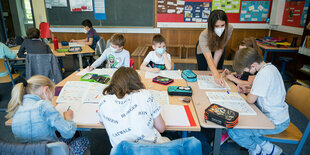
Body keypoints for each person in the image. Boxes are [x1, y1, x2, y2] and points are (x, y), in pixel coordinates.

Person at [227, 47, 290, 155]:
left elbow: (251, 99)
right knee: (242, 126)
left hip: (274, 122)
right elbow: (264, 90)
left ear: (253, 65)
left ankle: (256, 150)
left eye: (246, 71)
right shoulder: (270, 68)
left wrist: (248, 94)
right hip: (277, 116)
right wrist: (248, 90)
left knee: (234, 131)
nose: (247, 73)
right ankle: (269, 148)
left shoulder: (263, 74)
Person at [5, 75, 90, 155]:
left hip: (28, 152)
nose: (51, 100)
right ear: (46, 90)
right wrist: (68, 119)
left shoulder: (17, 106)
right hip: (50, 151)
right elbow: (68, 133)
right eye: (51, 96)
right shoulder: (43, 105)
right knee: (83, 140)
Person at [97, 67, 169, 148]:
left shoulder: (104, 100)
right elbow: (161, 128)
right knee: (166, 140)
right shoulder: (145, 94)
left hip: (122, 151)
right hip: (151, 150)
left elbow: (102, 122)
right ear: (136, 81)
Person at [196, 10, 233, 86]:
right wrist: (215, 74)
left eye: (222, 25)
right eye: (216, 26)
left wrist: (215, 72)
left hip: (218, 48)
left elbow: (220, 48)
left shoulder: (229, 28)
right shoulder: (204, 35)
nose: (220, 28)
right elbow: (208, 56)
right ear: (211, 26)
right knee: (203, 71)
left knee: (217, 70)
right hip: (204, 51)